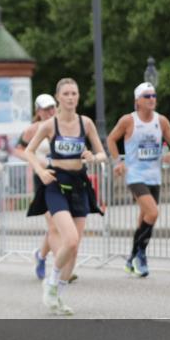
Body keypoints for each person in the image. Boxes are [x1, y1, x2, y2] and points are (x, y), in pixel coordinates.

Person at [23, 78, 106, 316]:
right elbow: (28, 151)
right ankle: (50, 284)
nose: (71, 97)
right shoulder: (50, 125)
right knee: (69, 239)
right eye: (67, 94)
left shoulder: (86, 123)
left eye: (74, 93)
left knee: (75, 248)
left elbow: (102, 153)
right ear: (58, 97)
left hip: (79, 184)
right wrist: (40, 170)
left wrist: (93, 157)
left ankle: (57, 293)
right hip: (56, 184)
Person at [107, 82, 170, 277]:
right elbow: (111, 139)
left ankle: (131, 259)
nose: (152, 99)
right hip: (135, 176)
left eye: (154, 96)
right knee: (153, 213)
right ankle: (141, 255)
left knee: (145, 218)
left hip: (154, 176)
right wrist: (117, 162)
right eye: (147, 96)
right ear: (137, 101)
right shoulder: (128, 121)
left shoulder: (161, 121)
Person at [13, 94, 58, 280]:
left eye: (53, 107)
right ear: (38, 111)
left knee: (58, 225)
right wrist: (36, 160)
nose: (50, 112)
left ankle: (41, 255)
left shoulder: (62, 125)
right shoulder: (33, 130)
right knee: (54, 224)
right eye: (46, 109)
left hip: (62, 178)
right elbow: (17, 150)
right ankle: (60, 267)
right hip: (43, 179)